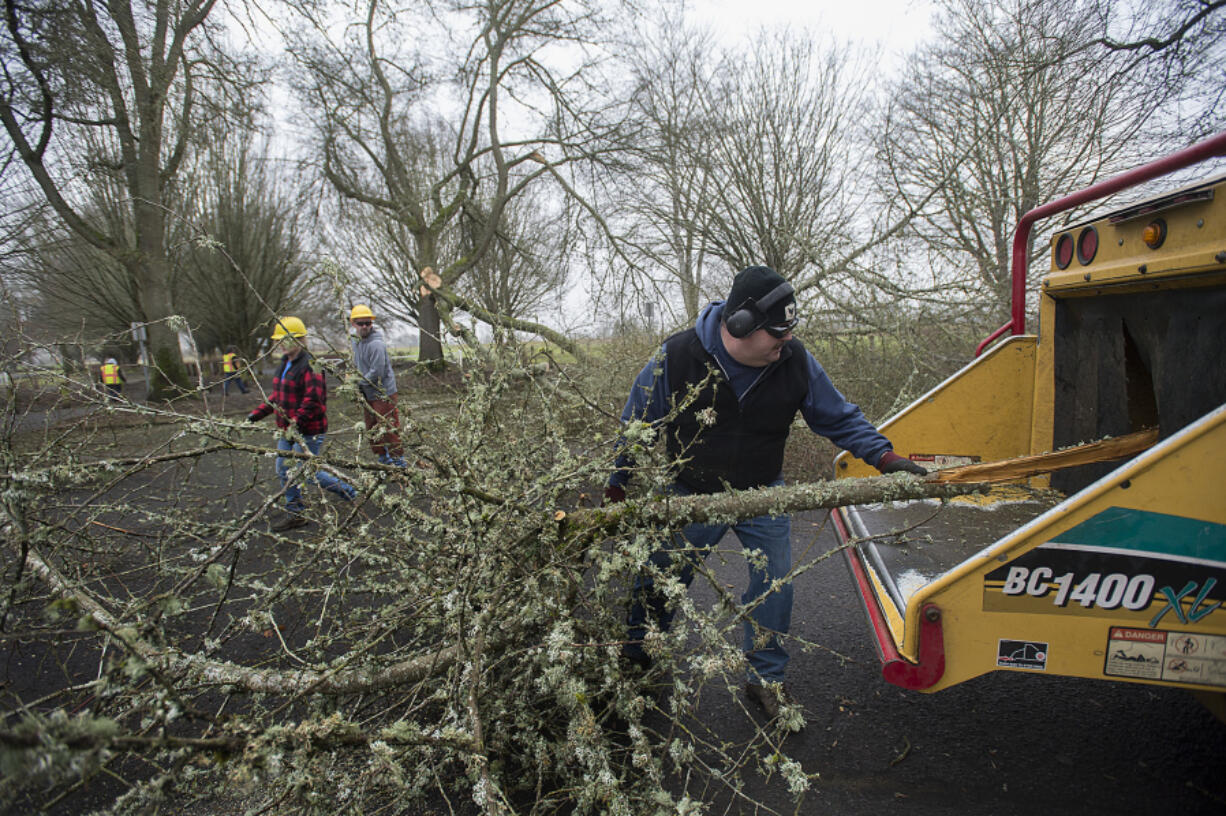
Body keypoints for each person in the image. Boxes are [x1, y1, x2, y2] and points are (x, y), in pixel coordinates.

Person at [606, 265, 927, 719]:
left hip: (764, 492)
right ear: (740, 326)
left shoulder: (793, 360)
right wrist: (618, 479)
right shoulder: (678, 356)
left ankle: (765, 681)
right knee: (659, 578)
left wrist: (884, 457)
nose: (784, 347)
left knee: (775, 586)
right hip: (690, 492)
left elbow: (837, 415)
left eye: (788, 336)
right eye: (776, 338)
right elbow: (637, 422)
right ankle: (639, 662)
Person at [247, 316, 357, 532]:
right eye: (279, 341)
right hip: (286, 430)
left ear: (298, 340)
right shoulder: (284, 364)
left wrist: (296, 422)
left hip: (308, 430)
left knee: (307, 471)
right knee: (283, 469)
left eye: (285, 340)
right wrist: (256, 415)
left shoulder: (312, 365)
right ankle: (295, 511)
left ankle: (352, 493)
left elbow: (313, 399)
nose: (281, 345)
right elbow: (277, 396)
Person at [349, 304, 407, 468]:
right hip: (367, 392)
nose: (365, 326)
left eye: (368, 323)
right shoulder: (355, 342)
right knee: (372, 427)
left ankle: (399, 461)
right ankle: (383, 458)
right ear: (353, 324)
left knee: (388, 427)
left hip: (383, 392)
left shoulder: (376, 345)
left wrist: (357, 382)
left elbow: (377, 372)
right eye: (361, 323)